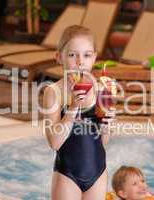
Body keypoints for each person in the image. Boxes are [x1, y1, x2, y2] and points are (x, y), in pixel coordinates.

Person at [42, 25, 116, 200]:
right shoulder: (54, 92)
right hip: (67, 175)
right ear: (59, 57)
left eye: (87, 55)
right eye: (72, 54)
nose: (80, 61)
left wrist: (107, 123)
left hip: (98, 173)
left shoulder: (101, 90)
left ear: (94, 58)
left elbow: (103, 142)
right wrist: (73, 107)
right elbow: (54, 143)